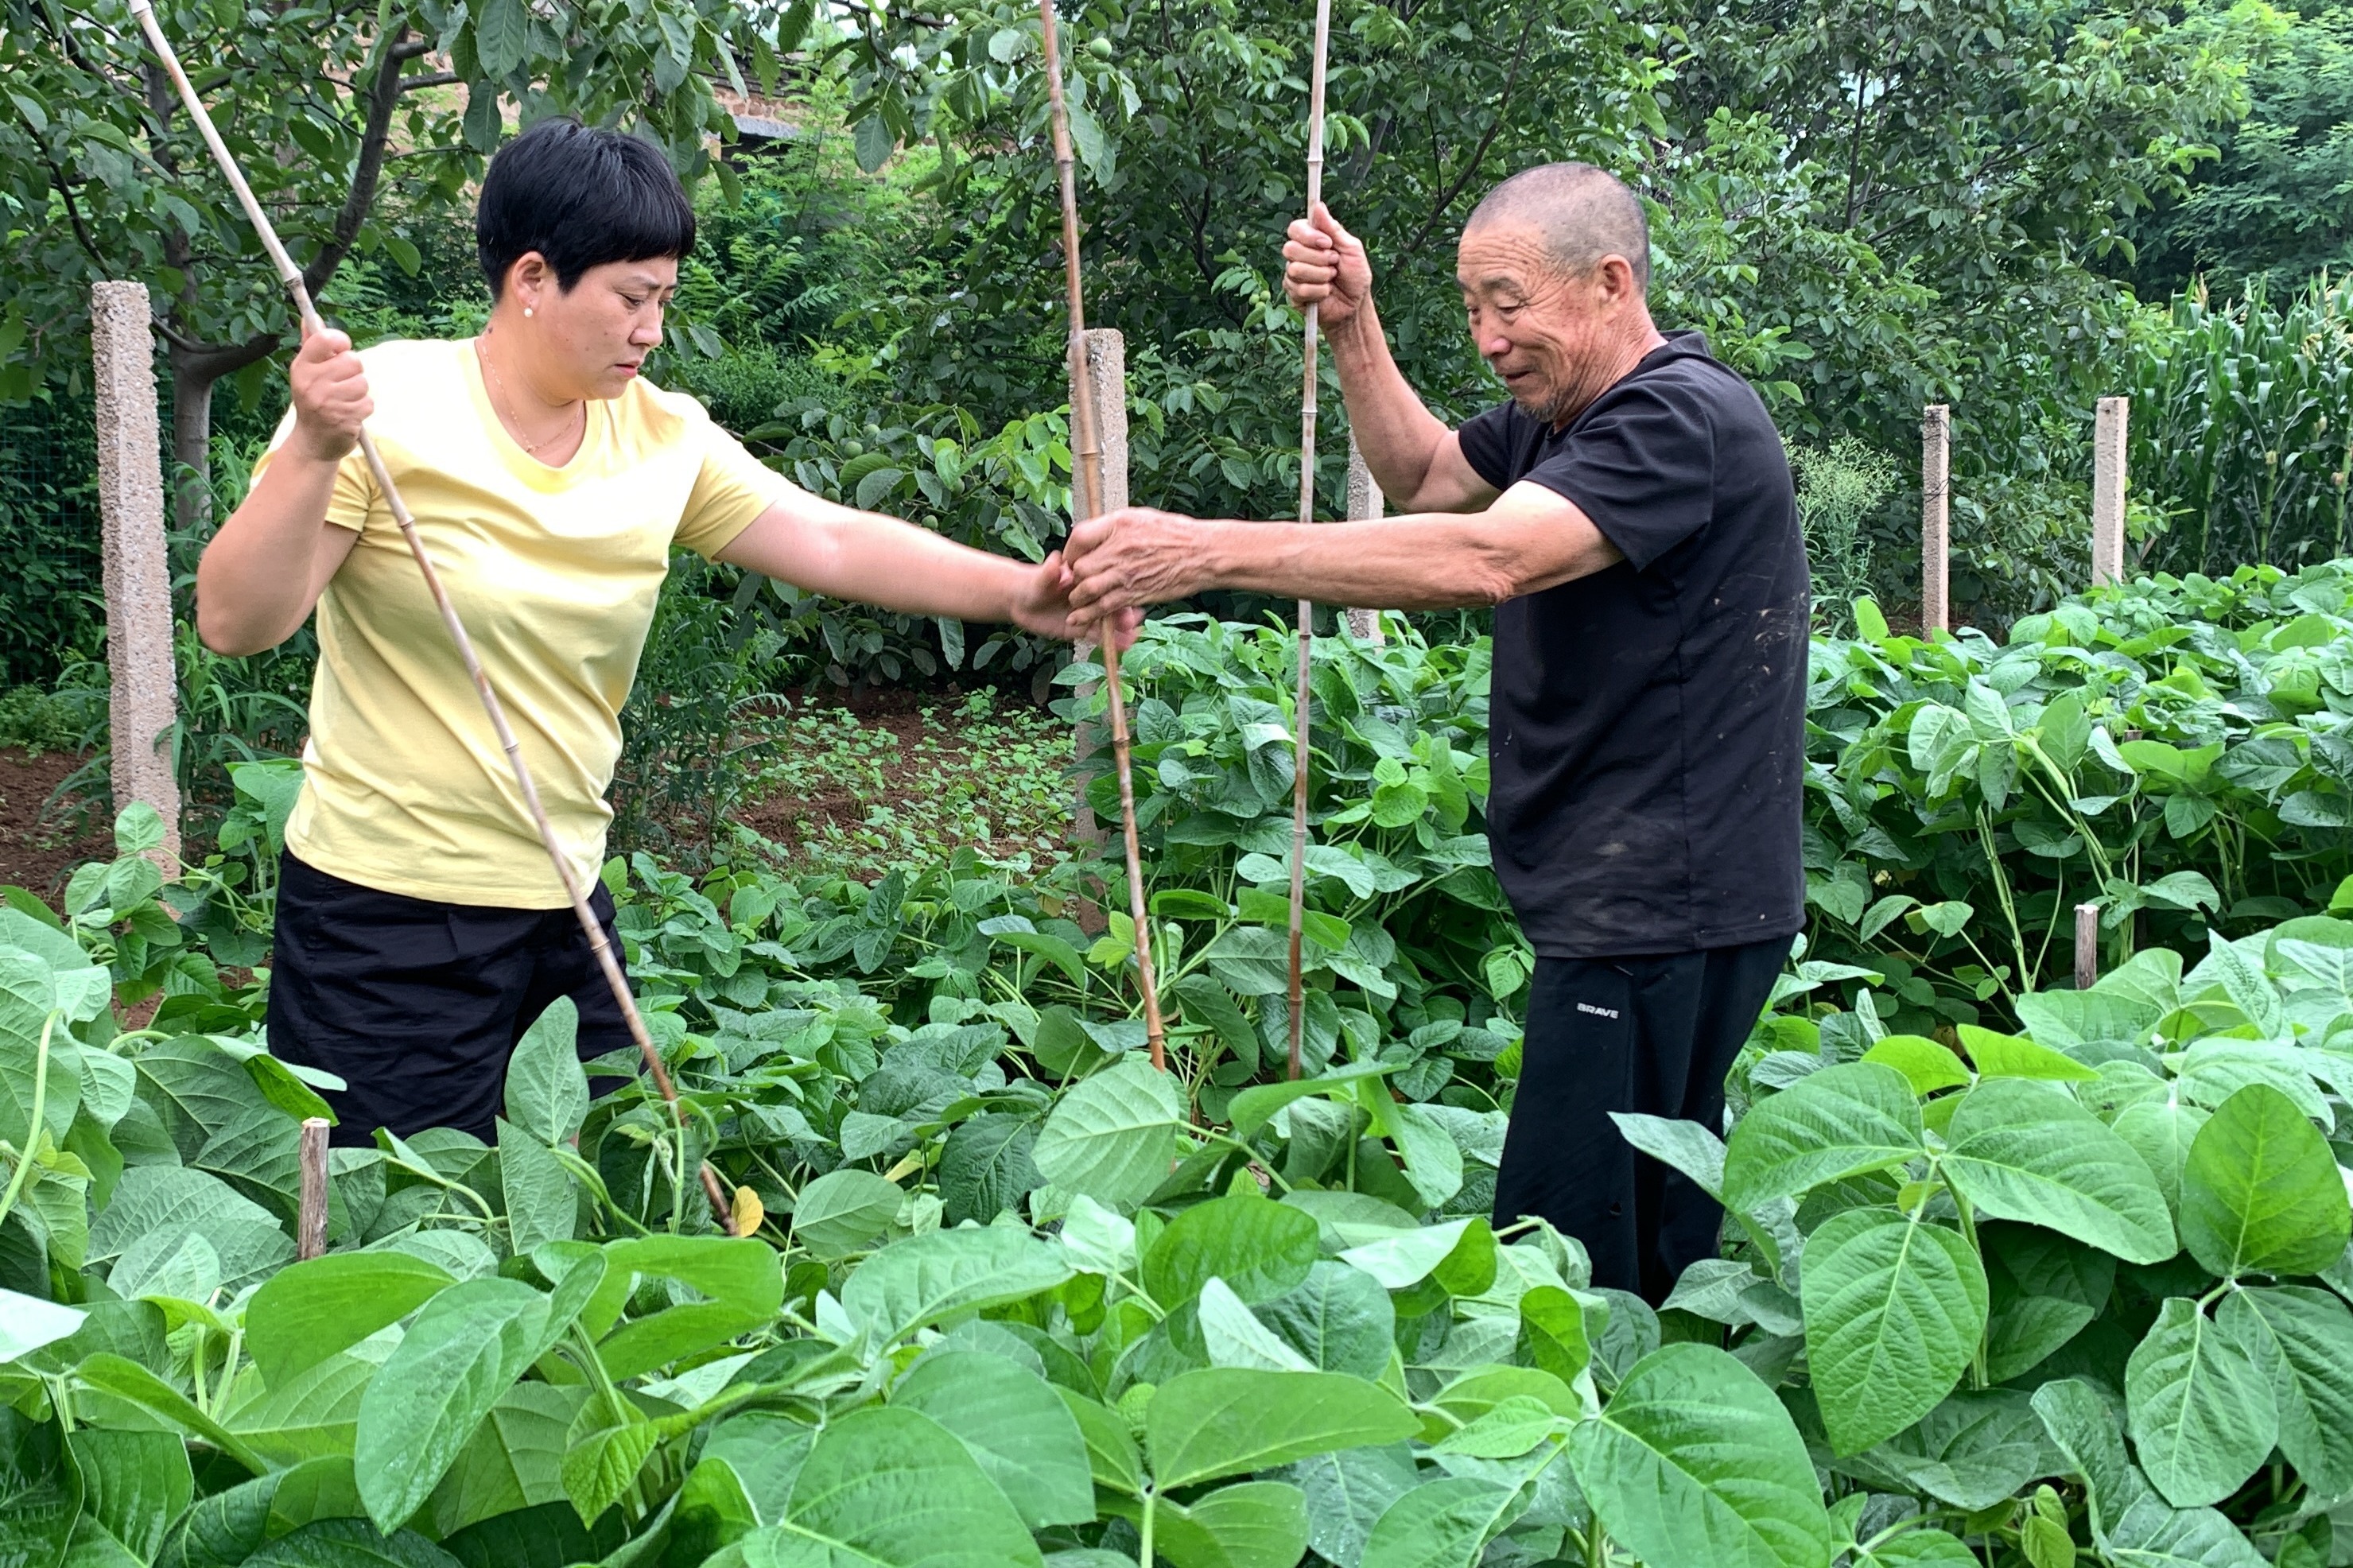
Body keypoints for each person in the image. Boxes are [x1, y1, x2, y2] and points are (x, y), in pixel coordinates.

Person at [198, 118, 1105, 1145]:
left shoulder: (661, 436)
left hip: (565, 907)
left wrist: (1019, 594)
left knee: (605, 1196)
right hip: (381, 919)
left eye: (664, 300)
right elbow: (236, 619)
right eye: (633, 297)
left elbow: (832, 540)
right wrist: (316, 450)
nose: (652, 330)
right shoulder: (383, 408)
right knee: (395, 1236)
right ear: (532, 278)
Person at [1062, 163, 1807, 1302]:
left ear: (1610, 283)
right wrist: (1355, 322)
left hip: (1664, 906)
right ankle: (1663, 1405)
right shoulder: (1574, 422)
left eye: (1510, 304)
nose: (1489, 337)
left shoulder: (1677, 420)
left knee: (1559, 1262)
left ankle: (1577, 1449)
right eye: (1470, 309)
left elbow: (1488, 557)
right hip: (1648, 902)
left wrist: (1202, 552)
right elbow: (1421, 477)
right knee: (1649, 1225)